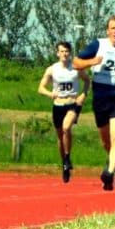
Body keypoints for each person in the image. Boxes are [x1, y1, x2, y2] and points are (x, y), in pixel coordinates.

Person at [74, 15, 115, 191]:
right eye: (113, 28)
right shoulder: (98, 45)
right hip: (101, 96)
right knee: (106, 141)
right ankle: (111, 163)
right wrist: (91, 62)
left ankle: (109, 172)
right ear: (107, 30)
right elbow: (76, 62)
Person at [35, 41, 84, 182]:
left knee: (66, 128)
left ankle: (67, 158)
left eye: (67, 51)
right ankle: (64, 164)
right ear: (57, 53)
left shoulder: (76, 68)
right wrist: (50, 93)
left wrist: (83, 95)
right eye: (62, 51)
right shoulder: (52, 69)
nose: (64, 54)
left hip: (72, 104)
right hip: (58, 105)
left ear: (70, 53)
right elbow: (40, 88)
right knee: (60, 137)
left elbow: (88, 81)